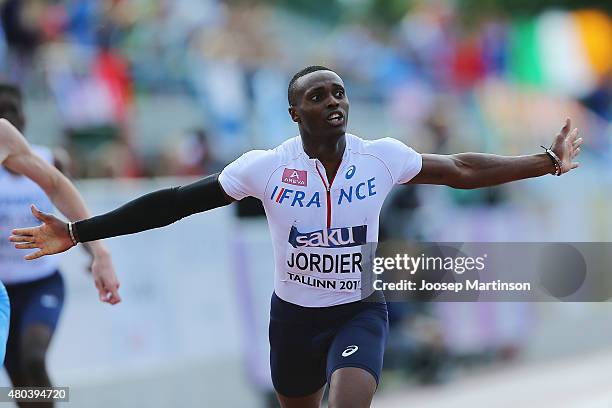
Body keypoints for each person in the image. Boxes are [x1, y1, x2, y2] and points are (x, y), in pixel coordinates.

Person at [8, 66, 582, 408]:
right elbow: (176, 203)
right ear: (292, 112)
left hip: (359, 311)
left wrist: (544, 161)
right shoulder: (265, 167)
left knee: (352, 400)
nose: (333, 102)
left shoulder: (381, 157)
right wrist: (80, 232)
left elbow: (462, 168)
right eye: (317, 96)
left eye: (338, 93)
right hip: (294, 319)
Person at [0, 84, 121, 405]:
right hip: (3, 284)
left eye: (12, 113)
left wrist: (98, 251)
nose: (8, 118)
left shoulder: (15, 143)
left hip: (39, 280)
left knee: (33, 361)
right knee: (20, 384)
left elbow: (56, 186)